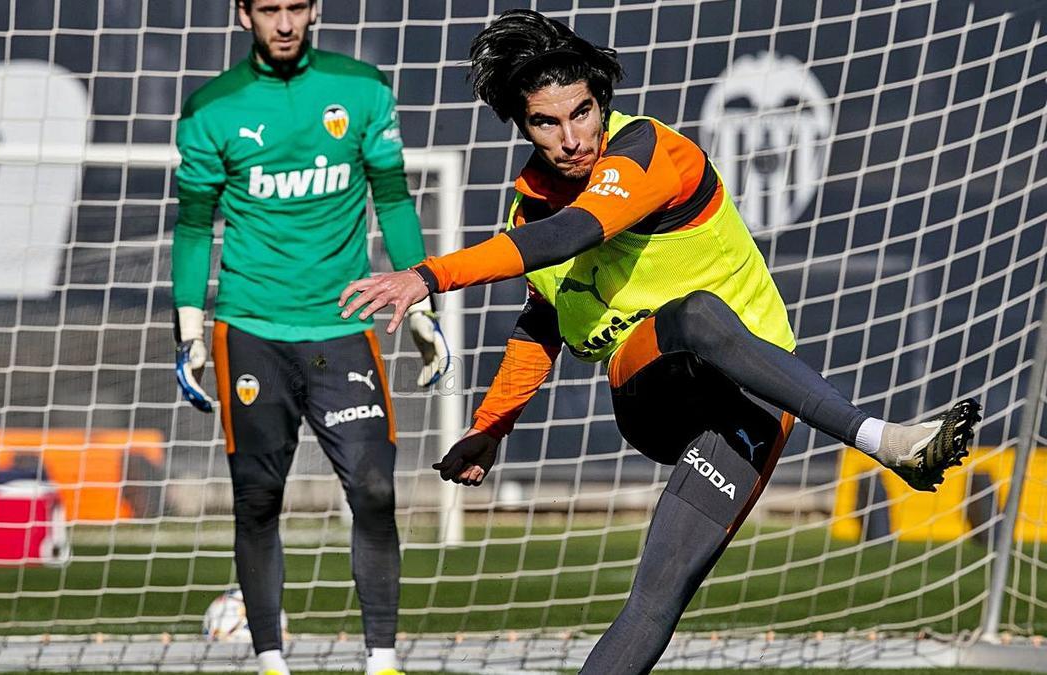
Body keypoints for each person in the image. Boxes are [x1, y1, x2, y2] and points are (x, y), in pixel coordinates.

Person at [338, 9, 980, 673]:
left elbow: (575, 232)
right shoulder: (529, 210)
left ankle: (891, 445)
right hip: (655, 389)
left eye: (582, 112)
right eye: (546, 122)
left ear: (602, 101)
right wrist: (491, 427)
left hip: (758, 399)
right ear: (521, 126)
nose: (572, 137)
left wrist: (427, 275)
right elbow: (542, 319)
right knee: (695, 314)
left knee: (656, 598)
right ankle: (886, 441)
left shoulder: (649, 150)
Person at [171, 2, 446, 674]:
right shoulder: (212, 108)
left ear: (317, 8)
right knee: (258, 498)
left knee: (376, 491)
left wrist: (418, 308)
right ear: (244, 15)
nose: (286, 23)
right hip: (251, 330)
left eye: (297, 7)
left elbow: (392, 200)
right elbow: (192, 228)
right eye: (270, 10)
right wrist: (189, 331)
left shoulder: (361, 91)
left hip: (343, 327)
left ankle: (382, 661)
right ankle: (271, 661)